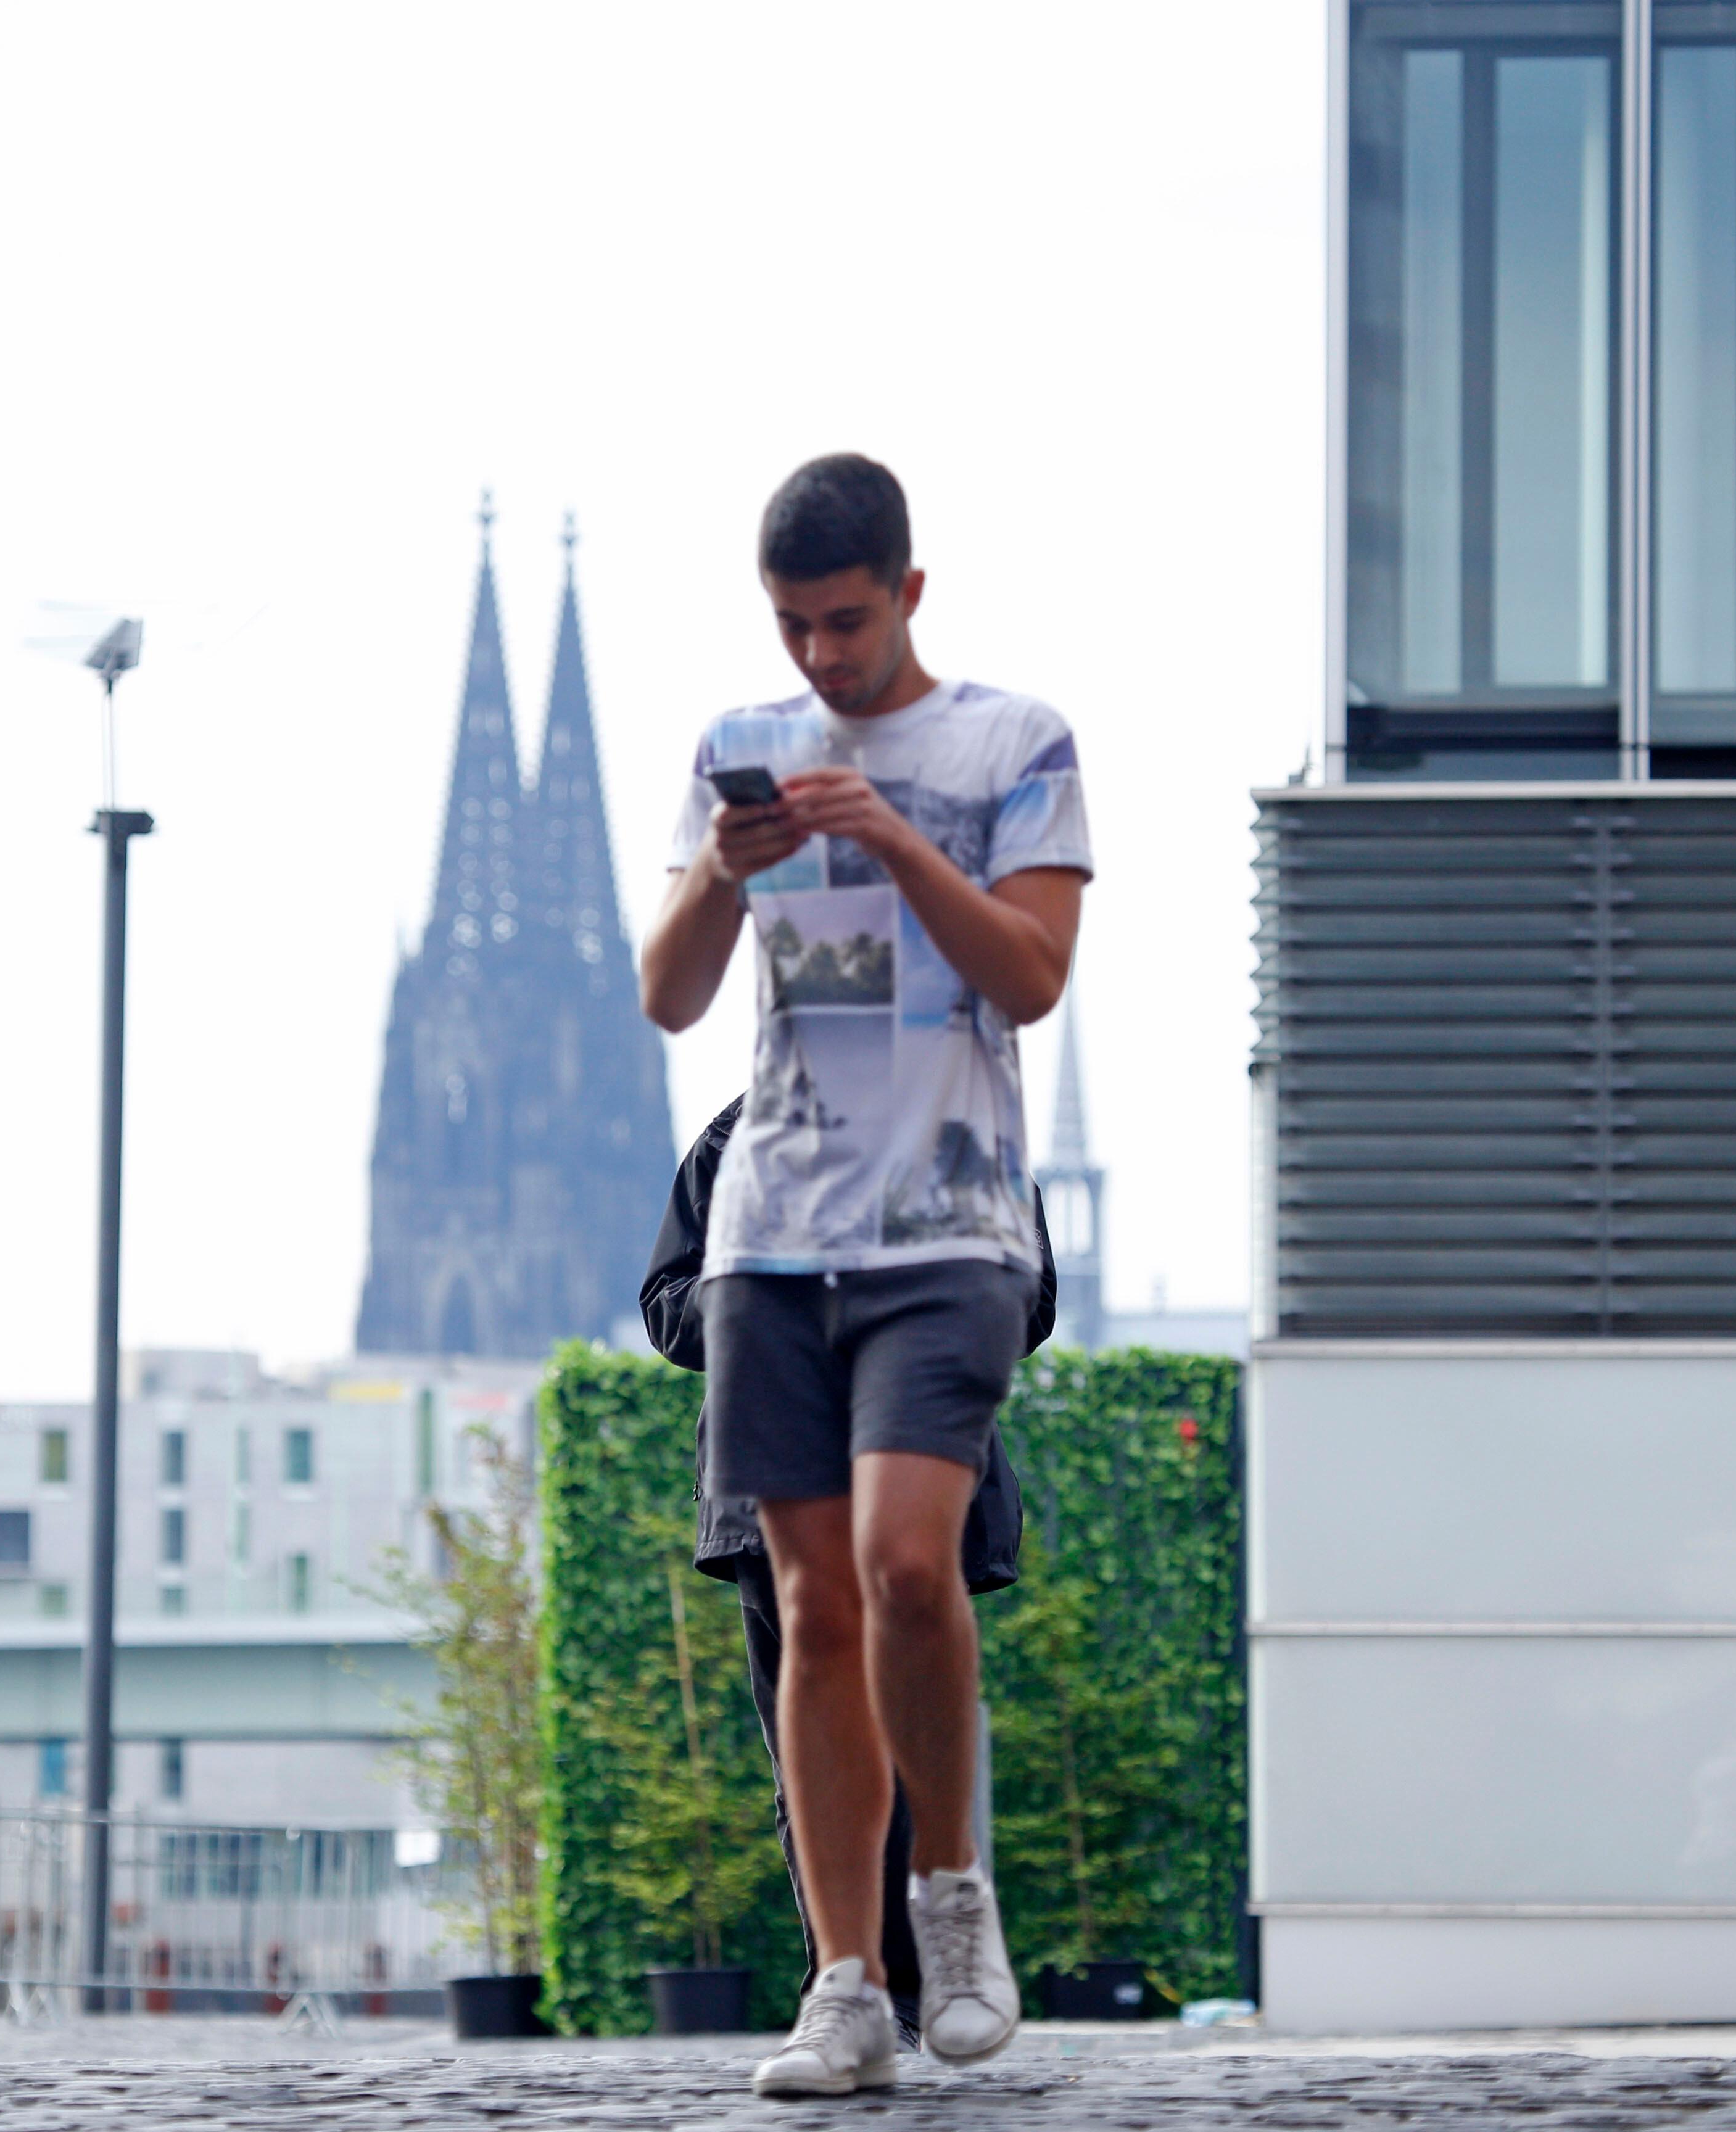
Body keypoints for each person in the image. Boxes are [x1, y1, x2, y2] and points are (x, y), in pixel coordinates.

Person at [638, 453, 1091, 2097]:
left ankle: (950, 1902)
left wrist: (895, 838)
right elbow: (671, 997)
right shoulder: (736, 753)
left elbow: (1029, 976)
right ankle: (844, 1985)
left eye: (844, 622)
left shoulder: (1012, 743)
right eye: (792, 629)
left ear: (909, 591)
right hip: (773, 1235)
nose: (822, 659)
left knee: (912, 1567)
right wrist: (721, 869)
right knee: (811, 1609)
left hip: (952, 1228)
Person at [641, 1096, 1051, 2043]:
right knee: (809, 1747)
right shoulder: (735, 1137)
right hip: (771, 1466)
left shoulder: (961, 1109)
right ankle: (849, 1978)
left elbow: (1028, 1300)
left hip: (919, 1460)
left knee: (909, 1727)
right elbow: (669, 1305)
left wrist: (911, 1298)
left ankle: (916, 1958)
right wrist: (773, 1295)